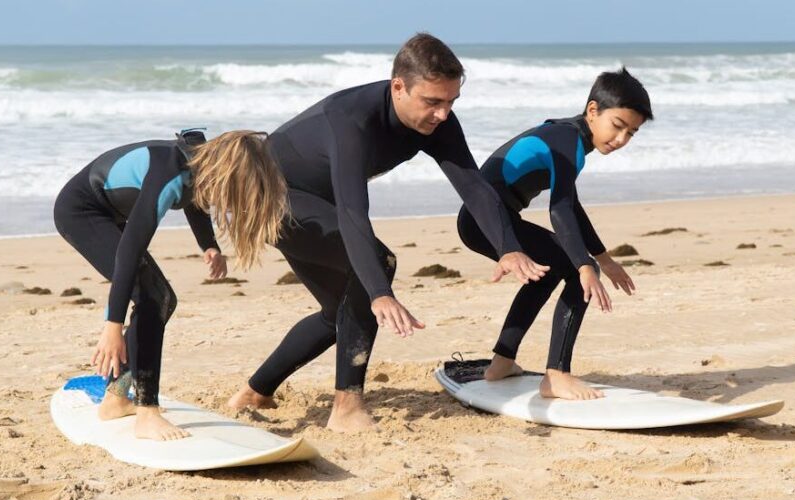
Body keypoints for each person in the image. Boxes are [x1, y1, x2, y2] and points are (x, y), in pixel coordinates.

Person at [227, 33, 549, 432]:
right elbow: (352, 211)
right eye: (432, 101)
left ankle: (255, 392)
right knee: (375, 268)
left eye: (451, 101)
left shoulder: (437, 123)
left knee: (338, 313)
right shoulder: (351, 120)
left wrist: (508, 247)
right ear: (399, 87)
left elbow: (473, 186)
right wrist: (380, 291)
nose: (443, 113)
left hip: (316, 201)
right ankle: (347, 407)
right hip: (269, 197)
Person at [54, 129, 288, 440]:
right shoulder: (168, 177)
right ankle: (146, 414)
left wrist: (208, 244)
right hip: (81, 212)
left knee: (161, 299)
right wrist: (113, 324)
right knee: (154, 297)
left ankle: (116, 398)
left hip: (111, 212)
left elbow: (196, 197)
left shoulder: (201, 163)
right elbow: (130, 251)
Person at [456, 67, 652, 399]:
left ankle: (502, 362)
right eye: (618, 125)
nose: (621, 139)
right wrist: (586, 266)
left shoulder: (569, 138)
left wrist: (604, 259)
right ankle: (557, 375)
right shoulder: (566, 141)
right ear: (593, 110)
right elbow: (559, 210)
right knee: (577, 273)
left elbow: (570, 204)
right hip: (486, 222)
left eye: (631, 133)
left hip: (484, 221)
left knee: (546, 273)